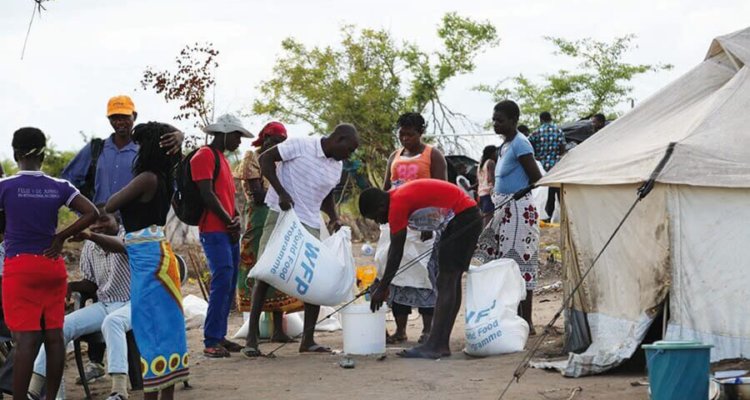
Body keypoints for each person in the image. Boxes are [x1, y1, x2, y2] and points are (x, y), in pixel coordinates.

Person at [62, 95, 182, 382]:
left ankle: (139, 372)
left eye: (124, 117)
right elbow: (69, 180)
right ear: (109, 120)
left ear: (134, 117)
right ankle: (100, 362)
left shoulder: (145, 159)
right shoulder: (96, 150)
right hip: (110, 224)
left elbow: (121, 202)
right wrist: (90, 212)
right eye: (114, 118)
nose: (119, 122)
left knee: (129, 295)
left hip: (130, 227)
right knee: (102, 285)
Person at [242, 123, 359, 357]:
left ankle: (308, 340)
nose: (350, 154)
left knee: (314, 279)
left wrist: (333, 218)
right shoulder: (301, 145)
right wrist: (281, 191)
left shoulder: (336, 166)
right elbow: (266, 160)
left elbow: (326, 195)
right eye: (350, 148)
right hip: (281, 215)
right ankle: (252, 339)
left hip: (310, 222)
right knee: (267, 272)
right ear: (339, 138)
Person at [0, 127, 98, 400]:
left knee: (25, 342)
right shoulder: (59, 186)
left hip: (20, 269)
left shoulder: (5, 186)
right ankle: (52, 397)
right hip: (52, 267)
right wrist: (61, 237)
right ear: (43, 155)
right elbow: (92, 212)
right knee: (55, 337)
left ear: (16, 153)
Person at [105, 122, 188, 399]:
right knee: (164, 331)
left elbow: (110, 204)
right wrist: (179, 137)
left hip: (150, 264)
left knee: (150, 332)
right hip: (156, 256)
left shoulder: (146, 178)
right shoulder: (163, 177)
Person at [360, 179, 482, 359]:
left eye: (376, 216)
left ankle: (436, 344)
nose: (379, 220)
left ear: (380, 205)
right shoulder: (396, 196)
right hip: (465, 216)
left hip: (462, 217)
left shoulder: (396, 204)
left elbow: (396, 251)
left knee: (446, 280)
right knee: (450, 279)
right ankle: (440, 342)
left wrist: (383, 287)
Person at [28, 208, 132, 400]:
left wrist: (90, 235)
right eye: (93, 223)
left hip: (132, 303)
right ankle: (35, 390)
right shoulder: (90, 247)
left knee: (113, 322)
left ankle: (119, 391)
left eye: (104, 220)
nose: (98, 226)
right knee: (60, 326)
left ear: (116, 220)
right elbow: (91, 285)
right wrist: (70, 286)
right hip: (106, 303)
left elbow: (120, 246)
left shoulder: (128, 236)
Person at [474, 101, 543, 334]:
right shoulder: (504, 146)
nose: (496, 123)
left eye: (500, 120)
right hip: (504, 208)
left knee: (519, 262)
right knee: (503, 262)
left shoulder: (521, 144)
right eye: (494, 119)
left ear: (513, 121)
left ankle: (527, 321)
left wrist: (516, 195)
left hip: (518, 209)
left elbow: (536, 177)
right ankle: (511, 315)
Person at [381, 112, 447, 344]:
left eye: (410, 134)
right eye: (402, 134)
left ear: (420, 133)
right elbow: (386, 188)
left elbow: (441, 190)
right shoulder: (395, 156)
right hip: (399, 221)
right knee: (397, 273)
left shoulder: (433, 155)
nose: (405, 138)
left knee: (423, 276)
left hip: (424, 224)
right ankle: (400, 329)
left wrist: (432, 222)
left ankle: (427, 329)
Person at [191, 114, 252, 358]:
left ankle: (219, 335)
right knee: (222, 279)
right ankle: (211, 340)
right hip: (214, 229)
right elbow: (207, 195)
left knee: (228, 283)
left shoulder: (222, 159)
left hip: (227, 229)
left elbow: (226, 195)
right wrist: (229, 220)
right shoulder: (204, 156)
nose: (239, 140)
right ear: (224, 133)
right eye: (237, 135)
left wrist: (234, 217)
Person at [235, 122, 301, 343]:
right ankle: (253, 332)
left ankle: (278, 330)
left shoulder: (280, 159)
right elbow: (258, 194)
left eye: (281, 142)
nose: (277, 146)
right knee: (259, 269)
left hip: (276, 215)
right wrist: (281, 193)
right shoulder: (252, 157)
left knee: (277, 267)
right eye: (274, 141)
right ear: (265, 139)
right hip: (260, 217)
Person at [528, 111, 565, 222]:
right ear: (551, 118)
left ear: (541, 119)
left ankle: (546, 218)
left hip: (541, 169)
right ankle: (562, 218)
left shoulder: (536, 132)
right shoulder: (558, 131)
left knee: (544, 195)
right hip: (556, 168)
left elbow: (528, 146)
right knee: (558, 193)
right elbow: (562, 149)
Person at [477, 145, 497, 227]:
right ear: (492, 153)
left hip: (481, 193)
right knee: (489, 219)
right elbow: (491, 178)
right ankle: (485, 237)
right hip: (489, 192)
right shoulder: (490, 162)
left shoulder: (480, 165)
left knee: (485, 217)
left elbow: (478, 179)